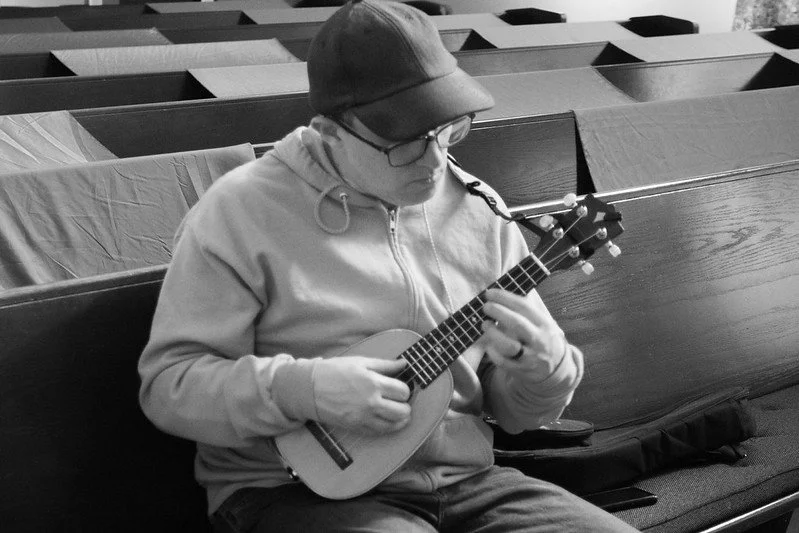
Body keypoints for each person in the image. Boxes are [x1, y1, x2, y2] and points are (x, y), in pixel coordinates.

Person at [138, 1, 639, 531]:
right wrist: (305, 389)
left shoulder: (476, 206)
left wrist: (546, 372)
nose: (435, 163)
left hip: (466, 483)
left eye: (447, 131)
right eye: (404, 143)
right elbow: (170, 387)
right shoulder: (238, 213)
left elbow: (513, 410)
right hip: (289, 492)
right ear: (330, 132)